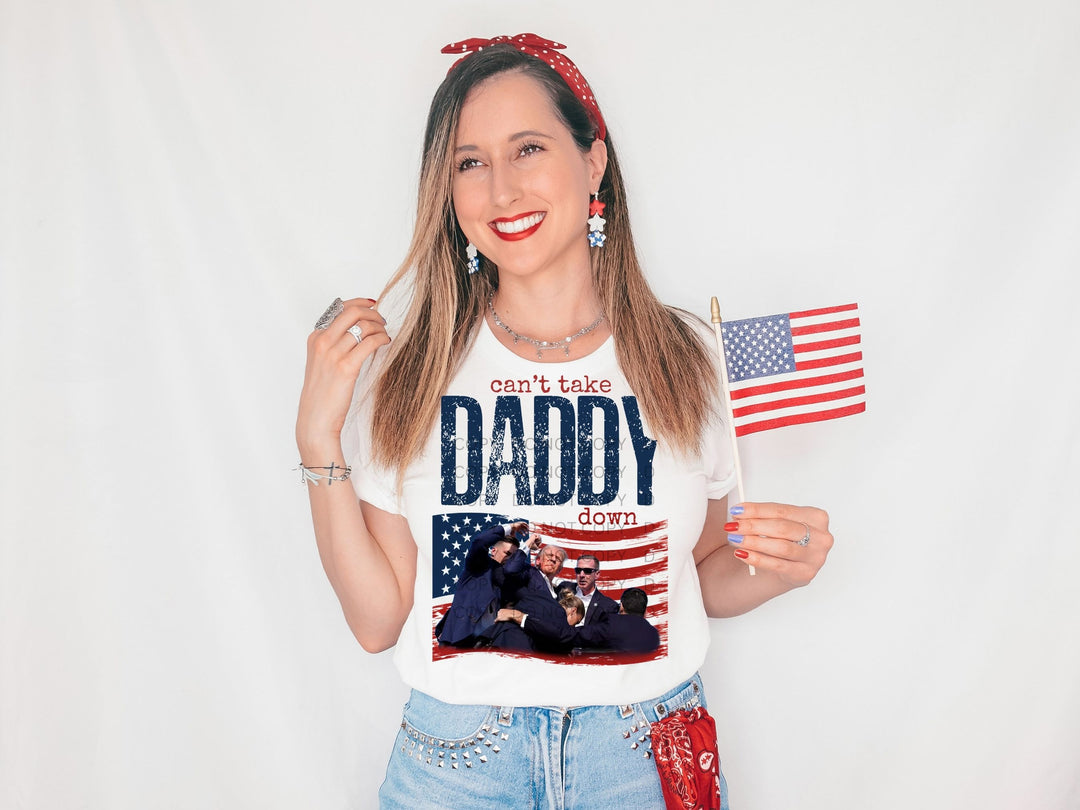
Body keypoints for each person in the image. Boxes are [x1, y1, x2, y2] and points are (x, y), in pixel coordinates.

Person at [295, 33, 834, 808]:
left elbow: (708, 573)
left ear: (594, 163)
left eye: (528, 148)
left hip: (644, 756)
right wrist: (318, 442)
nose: (501, 191)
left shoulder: (689, 360)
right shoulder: (410, 372)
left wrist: (779, 567)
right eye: (469, 162)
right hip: (457, 764)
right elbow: (379, 621)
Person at [434, 520, 529, 647]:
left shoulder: (509, 580)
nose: (510, 559)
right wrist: (510, 527)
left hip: (486, 644)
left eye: (513, 556)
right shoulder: (478, 565)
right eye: (507, 553)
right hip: (459, 639)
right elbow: (480, 542)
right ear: (493, 551)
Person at [574, 587, 661, 654]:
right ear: (645, 611)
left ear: (622, 606)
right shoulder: (653, 635)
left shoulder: (612, 624)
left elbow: (578, 635)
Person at [570, 553, 618, 625]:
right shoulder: (564, 589)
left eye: (587, 571)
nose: (582, 575)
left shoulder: (607, 606)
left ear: (597, 574)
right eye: (578, 570)